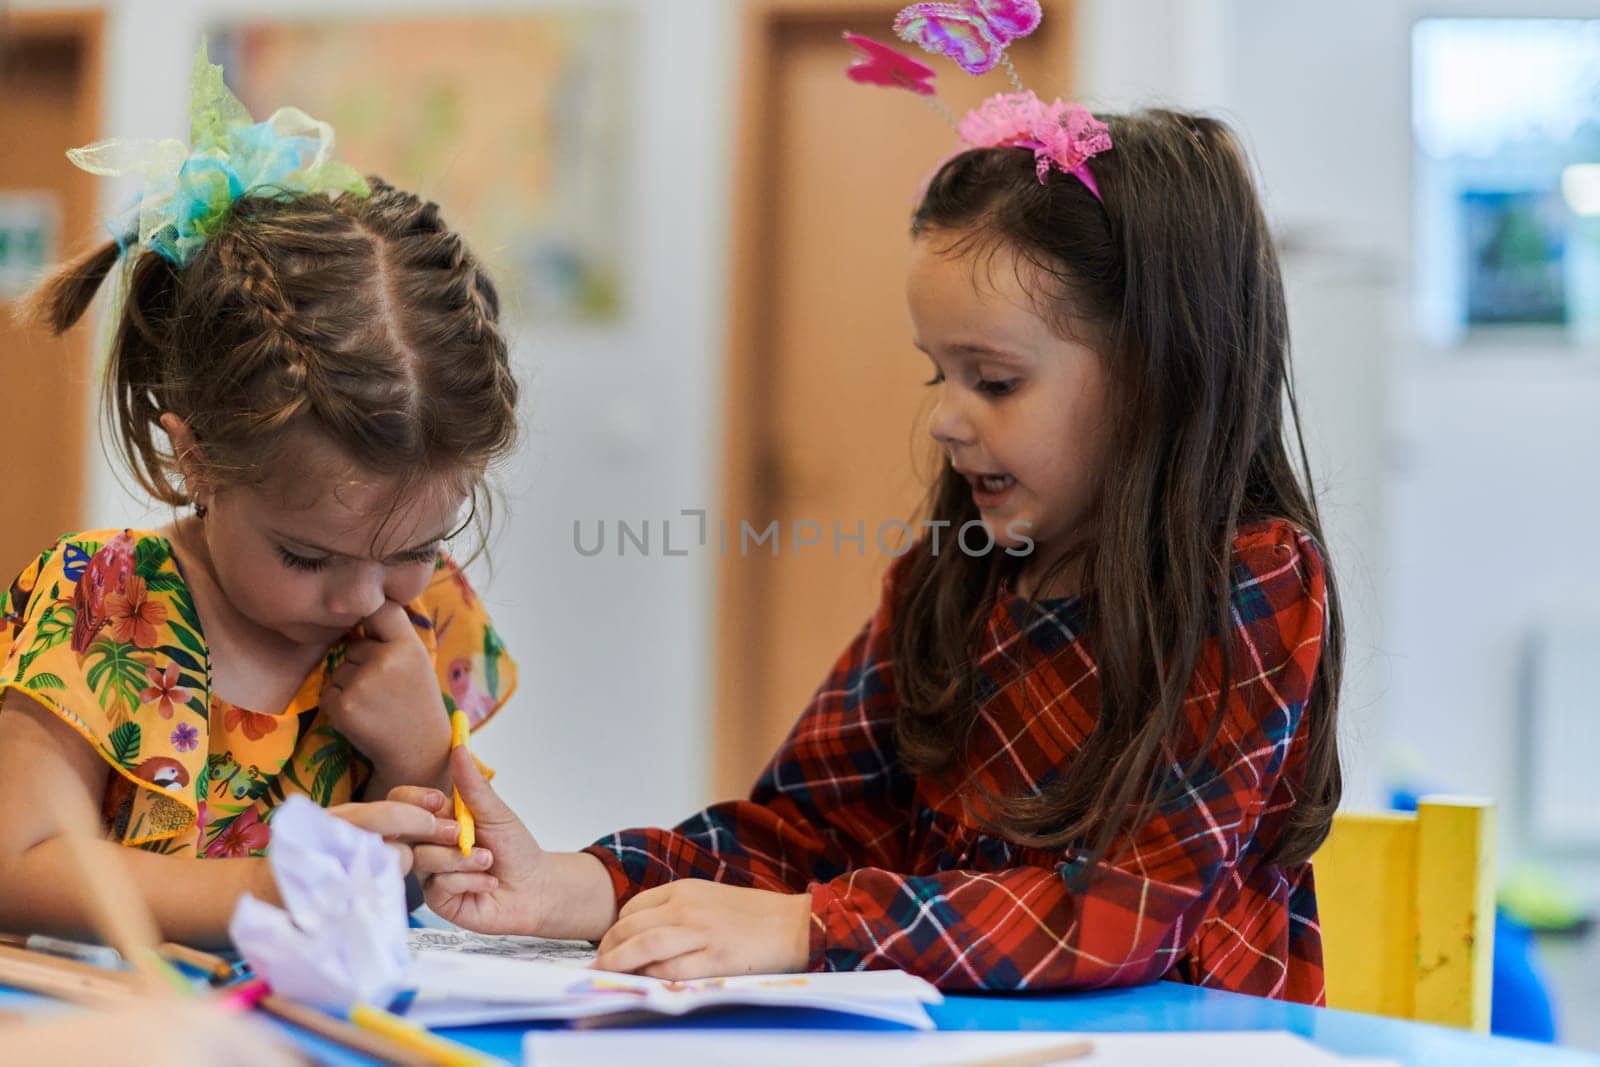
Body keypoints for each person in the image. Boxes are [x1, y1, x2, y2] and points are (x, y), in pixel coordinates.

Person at [0, 48, 518, 945]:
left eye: (411, 547)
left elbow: (472, 885)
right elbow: (17, 863)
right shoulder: (101, 599)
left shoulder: (428, 617)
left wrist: (422, 754)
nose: (364, 597)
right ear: (196, 459)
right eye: (306, 555)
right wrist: (266, 886)